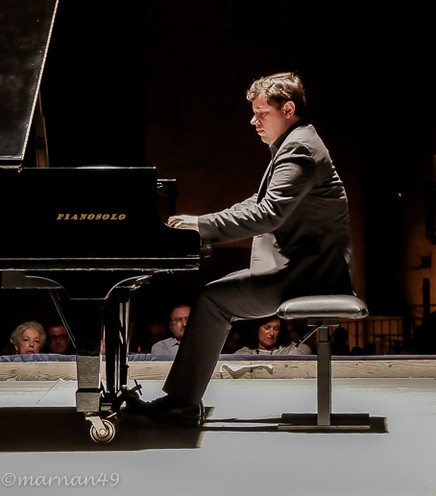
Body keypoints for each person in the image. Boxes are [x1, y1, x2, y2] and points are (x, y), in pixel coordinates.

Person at [125, 72, 353, 425]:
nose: (253, 121)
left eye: (262, 113)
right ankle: (182, 401)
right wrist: (202, 220)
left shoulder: (300, 149)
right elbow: (257, 202)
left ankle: (181, 404)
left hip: (309, 274)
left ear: (288, 109)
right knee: (213, 297)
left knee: (213, 300)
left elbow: (267, 214)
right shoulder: (295, 143)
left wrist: (203, 226)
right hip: (303, 267)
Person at [235, 315, 310, 355]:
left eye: (276, 329)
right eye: (267, 328)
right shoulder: (245, 353)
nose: (271, 333)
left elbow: (305, 349)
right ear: (257, 329)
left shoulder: (287, 350)